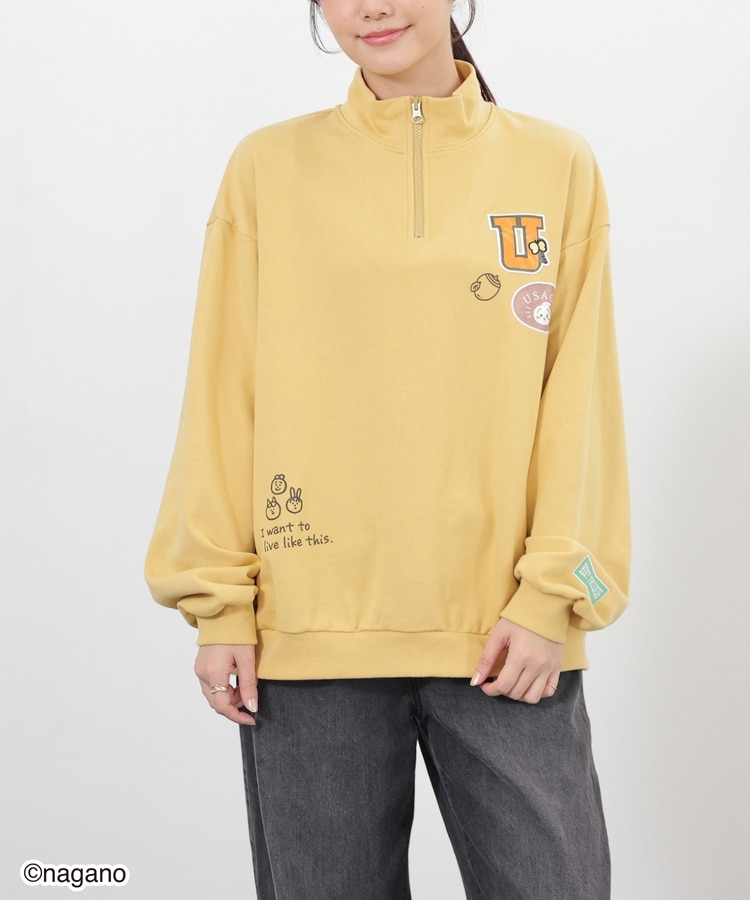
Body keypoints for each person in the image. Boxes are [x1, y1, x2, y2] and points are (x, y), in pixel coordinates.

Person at [145, 2, 630, 897]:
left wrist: (553, 597)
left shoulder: (556, 164)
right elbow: (222, 392)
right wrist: (219, 605)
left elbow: (581, 399)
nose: (370, 7)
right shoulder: (267, 168)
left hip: (509, 639)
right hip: (308, 639)